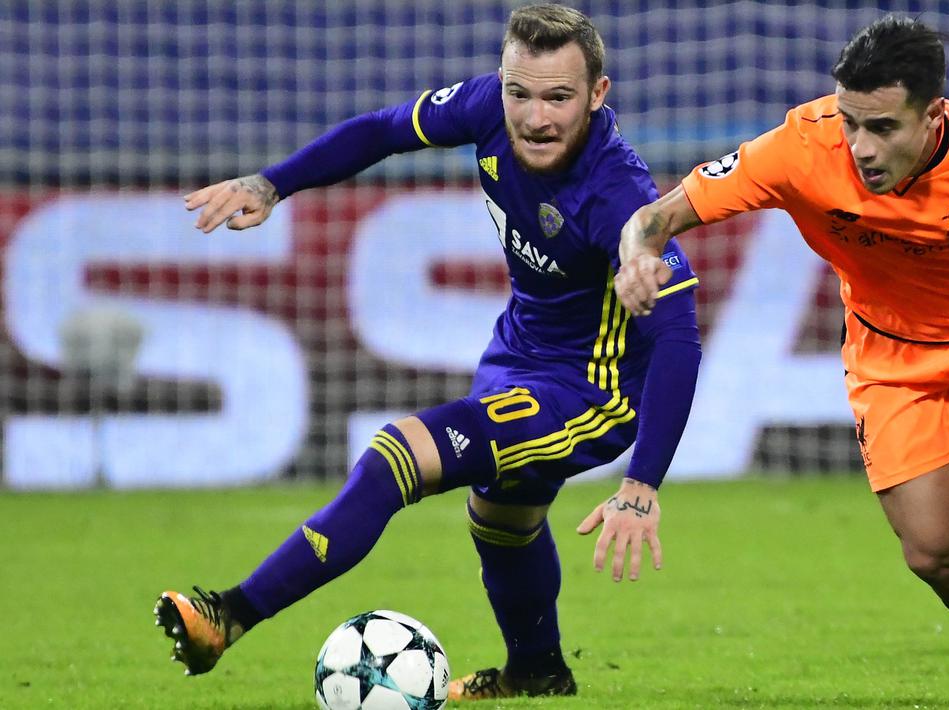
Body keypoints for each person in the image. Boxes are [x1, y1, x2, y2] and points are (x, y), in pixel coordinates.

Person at [614, 15, 949, 710]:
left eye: (882, 128)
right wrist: (636, 254)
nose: (859, 146)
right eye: (850, 122)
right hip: (890, 349)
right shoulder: (798, 146)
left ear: (932, 114)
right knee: (935, 555)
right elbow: (655, 218)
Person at [156, 4, 702, 701]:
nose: (534, 117)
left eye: (558, 98)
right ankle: (538, 673)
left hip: (590, 394)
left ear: (598, 94)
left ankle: (228, 615)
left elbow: (677, 333)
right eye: (519, 92)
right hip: (516, 352)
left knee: (398, 454)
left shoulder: (616, 191)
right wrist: (271, 183)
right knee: (502, 521)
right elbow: (382, 130)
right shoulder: (486, 106)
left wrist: (642, 484)